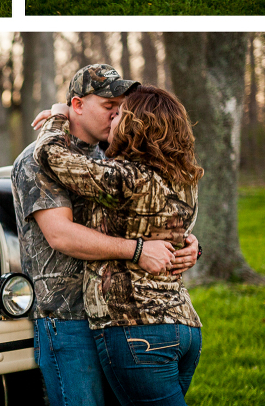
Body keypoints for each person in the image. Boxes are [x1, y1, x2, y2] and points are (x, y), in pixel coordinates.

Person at [12, 64, 198, 406]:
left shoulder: (114, 155)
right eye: (108, 107)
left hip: (121, 319)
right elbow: (61, 236)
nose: (117, 115)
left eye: (121, 108)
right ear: (77, 105)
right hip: (68, 319)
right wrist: (138, 249)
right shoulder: (35, 160)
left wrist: (186, 243)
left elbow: (153, 207)